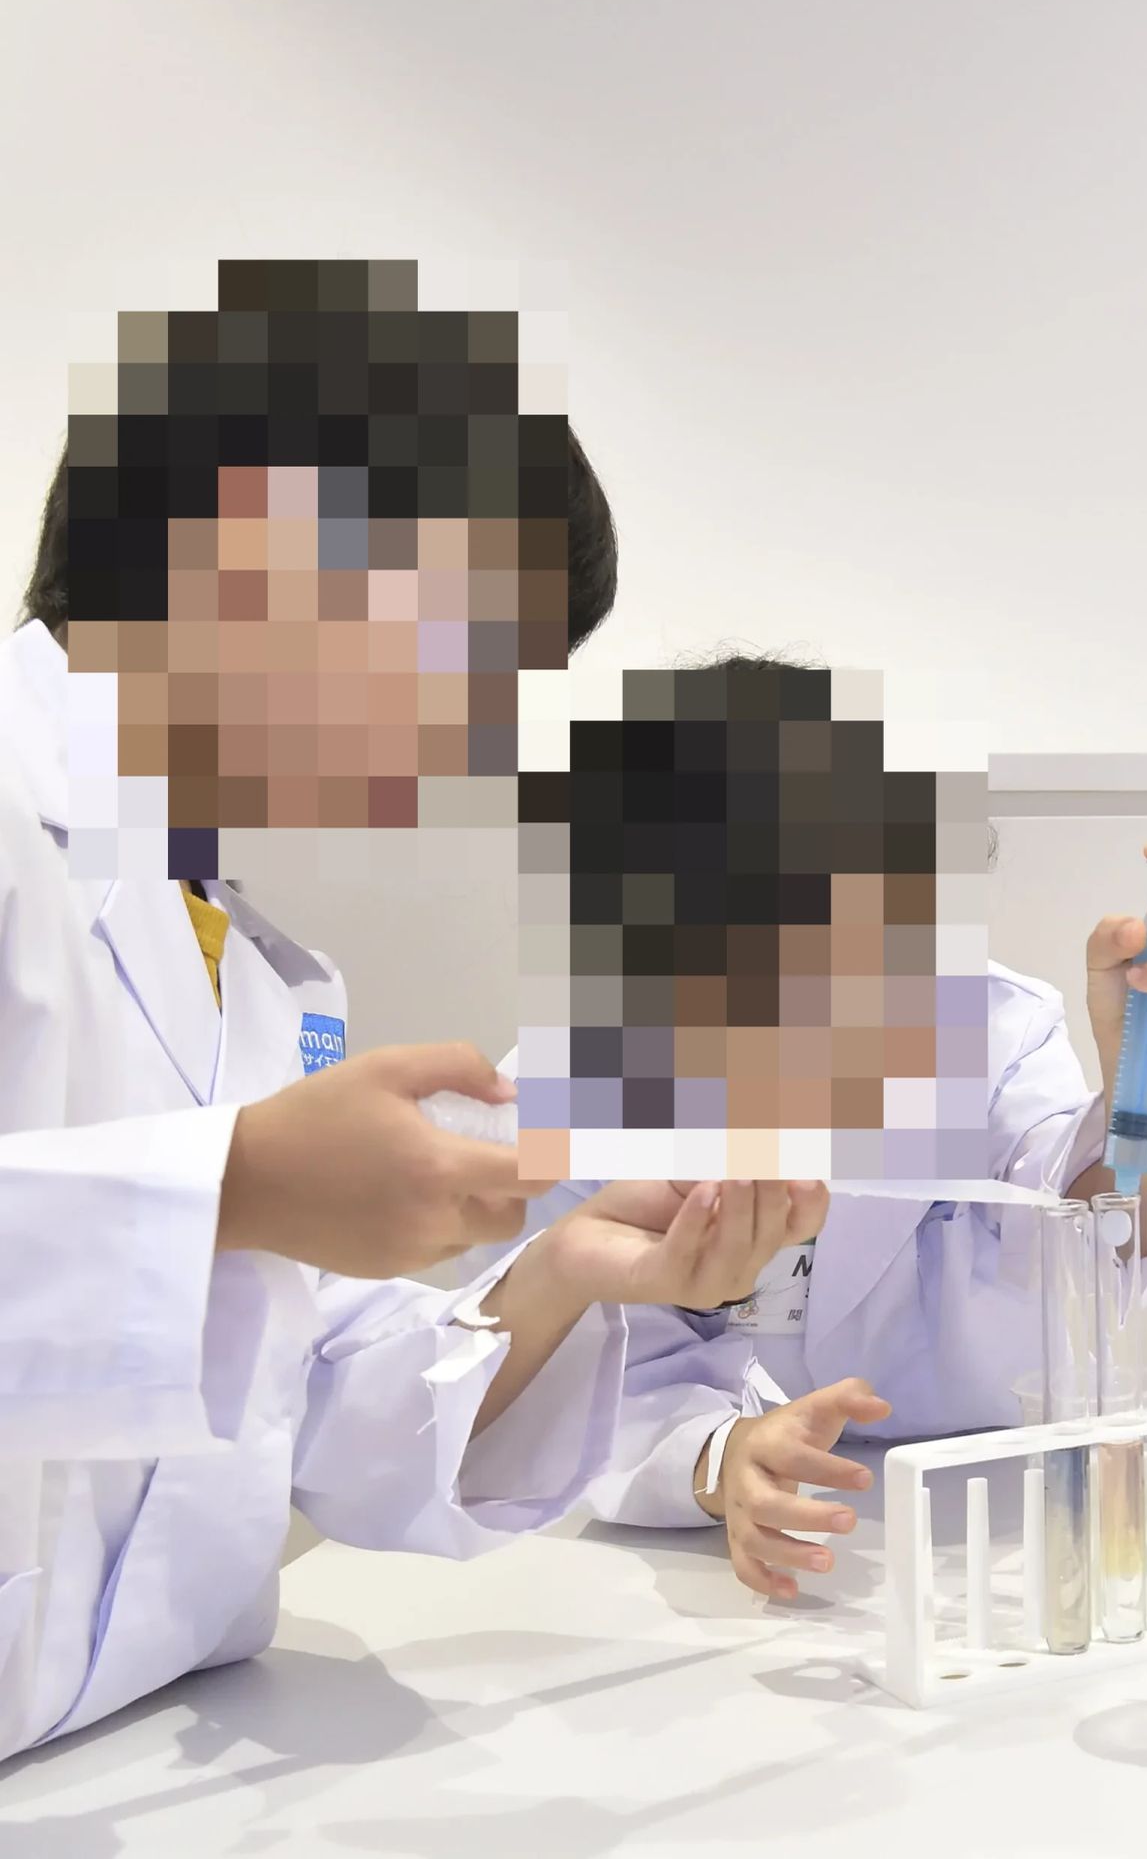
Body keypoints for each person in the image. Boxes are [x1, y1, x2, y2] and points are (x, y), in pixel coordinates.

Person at [0, 261, 815, 1760]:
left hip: (126, 1739)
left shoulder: (254, 966)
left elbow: (313, 1409)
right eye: (472, 650)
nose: (478, 735)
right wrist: (238, 1186)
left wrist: (565, 1268)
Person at [500, 655, 1147, 1602]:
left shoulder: (990, 1031)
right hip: (691, 1564)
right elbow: (560, 1373)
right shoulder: (569, 1085)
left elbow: (1097, 1231)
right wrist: (721, 1455)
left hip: (993, 1529)